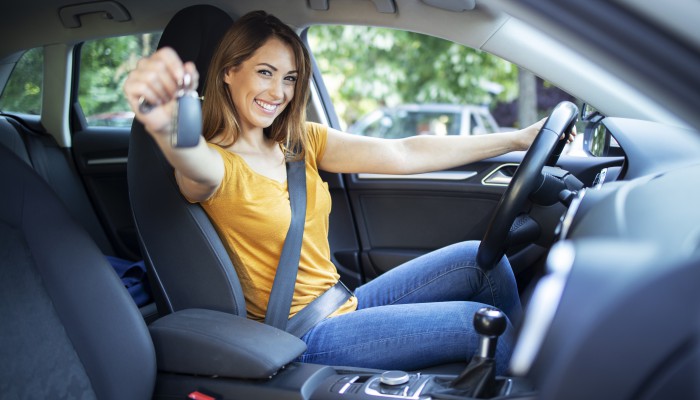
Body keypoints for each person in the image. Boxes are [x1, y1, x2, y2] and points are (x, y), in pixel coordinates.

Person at [124, 10, 573, 374]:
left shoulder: (300, 141)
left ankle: (512, 373)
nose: (278, 92)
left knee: (481, 262)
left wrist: (516, 139)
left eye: (290, 78)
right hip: (302, 335)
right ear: (227, 73)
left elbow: (403, 153)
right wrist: (165, 125)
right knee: (469, 324)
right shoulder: (216, 166)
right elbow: (188, 159)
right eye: (265, 72)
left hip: (344, 302)